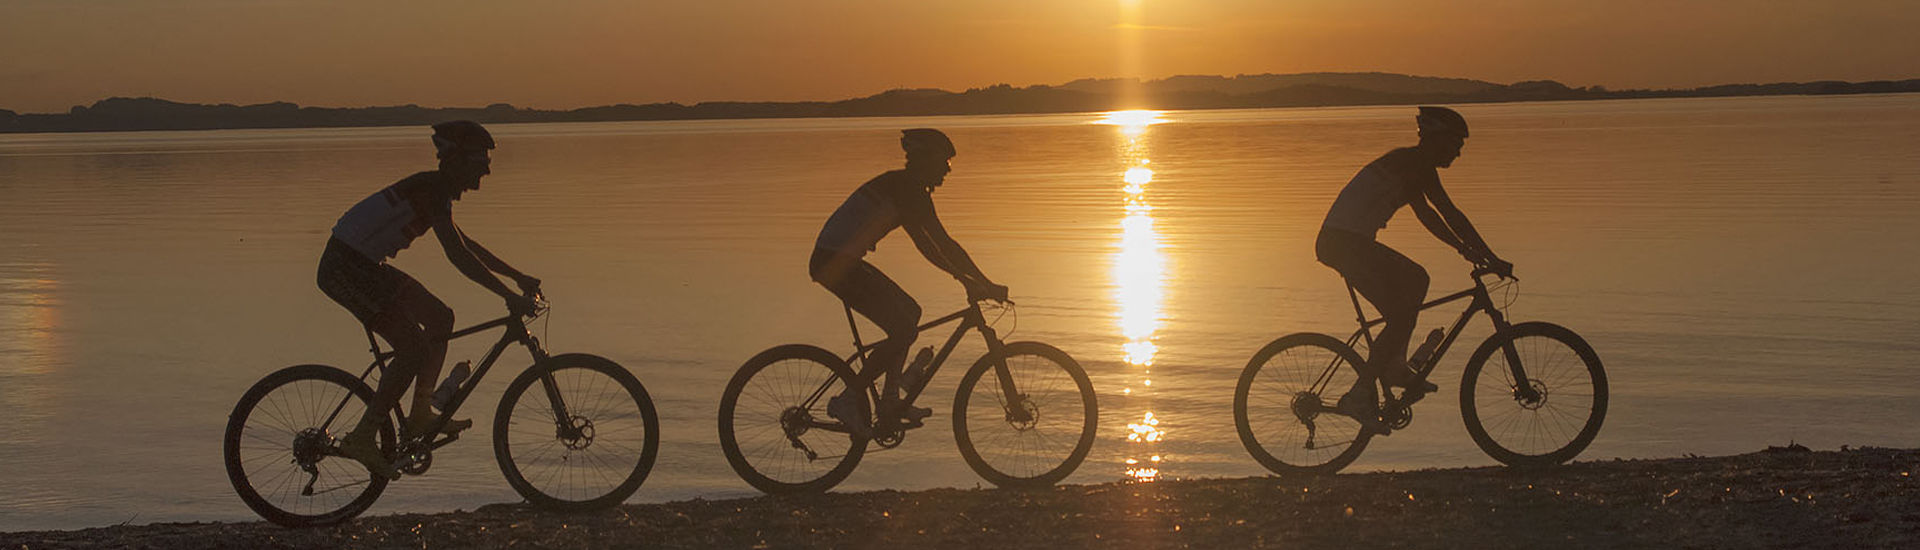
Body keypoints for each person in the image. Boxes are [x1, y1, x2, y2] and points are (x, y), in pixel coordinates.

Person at [317, 120, 541, 478]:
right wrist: (508, 296)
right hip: (345, 268)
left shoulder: (437, 190)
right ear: (455, 160)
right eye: (479, 160)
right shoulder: (432, 189)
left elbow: (465, 245)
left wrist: (517, 277)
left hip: (362, 265)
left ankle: (420, 414)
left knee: (440, 318)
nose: (486, 169)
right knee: (413, 350)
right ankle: (362, 436)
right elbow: (457, 255)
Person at [1317, 106, 1513, 430]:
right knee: (1404, 305)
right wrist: (1488, 256)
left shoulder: (1411, 164)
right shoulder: (1415, 165)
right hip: (1343, 243)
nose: (1459, 152)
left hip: (1345, 242)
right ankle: (1360, 392)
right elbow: (1450, 214)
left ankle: (1392, 366)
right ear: (1436, 139)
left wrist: (1466, 250)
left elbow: (1428, 216)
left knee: (1413, 289)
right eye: (1456, 143)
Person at [811, 128, 1008, 436]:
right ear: (926, 160)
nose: (947, 170)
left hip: (840, 261)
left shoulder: (908, 188)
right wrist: (974, 282)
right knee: (903, 330)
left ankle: (889, 401)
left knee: (910, 315)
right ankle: (849, 399)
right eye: (944, 162)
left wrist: (978, 280)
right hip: (834, 264)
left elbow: (938, 246)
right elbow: (938, 245)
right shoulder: (907, 191)